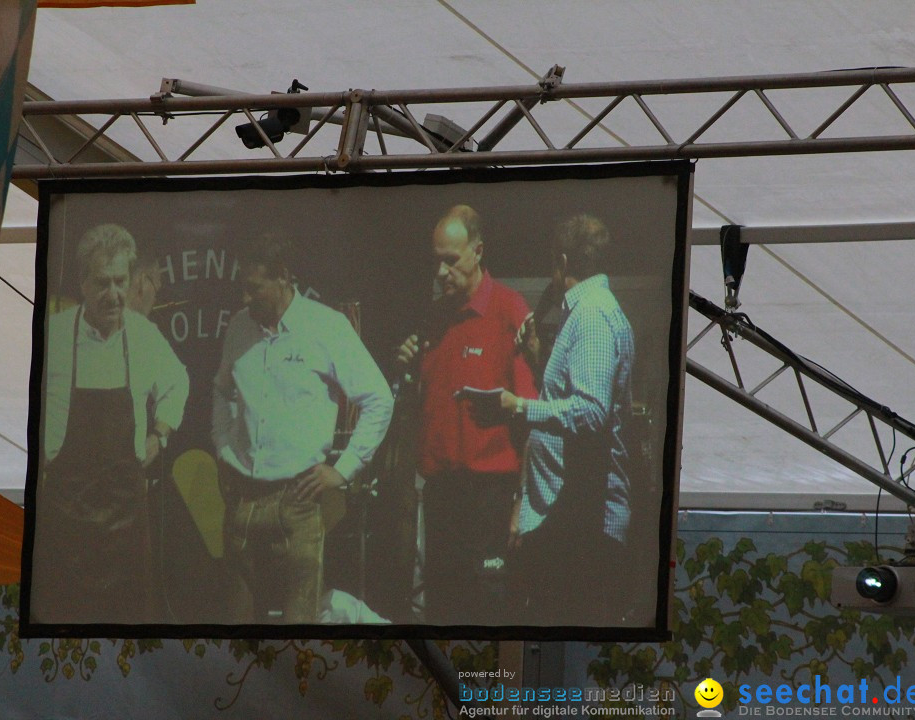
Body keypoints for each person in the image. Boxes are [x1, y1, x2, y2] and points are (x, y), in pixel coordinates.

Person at [211, 235, 394, 623]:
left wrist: (343, 470)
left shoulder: (325, 326)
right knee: (236, 630)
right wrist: (224, 449)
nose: (245, 299)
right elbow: (222, 390)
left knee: (300, 632)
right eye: (242, 288)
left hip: (298, 501)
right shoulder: (239, 328)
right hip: (243, 499)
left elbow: (379, 398)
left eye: (254, 288)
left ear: (283, 278)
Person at [33, 223, 190, 624]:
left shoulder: (142, 336)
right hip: (65, 518)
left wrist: (161, 434)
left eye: (121, 281)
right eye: (102, 283)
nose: (115, 294)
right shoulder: (54, 336)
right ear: (83, 283)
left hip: (126, 519)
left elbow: (178, 381)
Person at [396, 204, 538, 625]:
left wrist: (521, 505)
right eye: (435, 261)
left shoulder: (510, 312)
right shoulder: (434, 317)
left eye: (450, 260)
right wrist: (406, 371)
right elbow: (420, 407)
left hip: (490, 496)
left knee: (486, 610)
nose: (441, 273)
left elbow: (532, 418)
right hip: (440, 493)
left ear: (478, 251)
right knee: (441, 608)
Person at [498, 214, 636, 625]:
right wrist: (537, 355)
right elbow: (574, 399)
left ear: (561, 262)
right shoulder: (588, 312)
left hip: (580, 528)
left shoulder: (591, 315)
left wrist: (519, 406)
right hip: (569, 521)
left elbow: (591, 411)